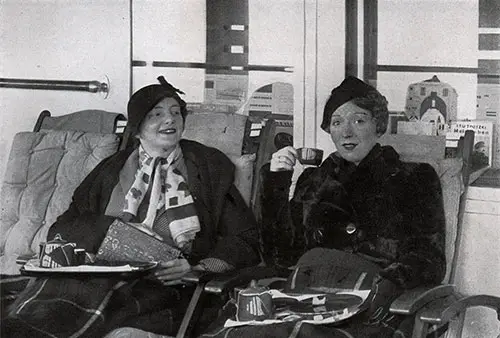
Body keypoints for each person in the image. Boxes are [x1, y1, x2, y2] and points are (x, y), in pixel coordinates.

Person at [1, 76, 260, 337]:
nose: (169, 120)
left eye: (175, 113)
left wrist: (197, 267)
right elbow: (67, 225)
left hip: (164, 286)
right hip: (101, 273)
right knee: (53, 298)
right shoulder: (111, 168)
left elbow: (244, 238)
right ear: (137, 128)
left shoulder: (207, 166)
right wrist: (108, 233)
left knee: (84, 301)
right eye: (156, 114)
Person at [200, 76, 446, 338]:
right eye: (337, 122)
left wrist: (388, 284)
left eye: (359, 120)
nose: (346, 132)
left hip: (368, 299)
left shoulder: (414, 177)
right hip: (303, 291)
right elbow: (280, 256)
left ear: (378, 126)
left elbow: (429, 258)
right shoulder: (314, 180)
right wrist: (276, 183)